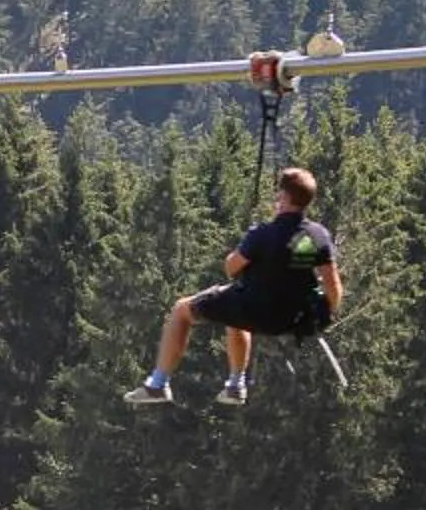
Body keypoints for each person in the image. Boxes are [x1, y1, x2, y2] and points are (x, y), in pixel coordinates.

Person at [124, 165, 343, 408]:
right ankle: (234, 387)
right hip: (296, 318)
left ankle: (159, 384)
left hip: (255, 311)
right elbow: (333, 283)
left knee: (181, 310)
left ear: (283, 198)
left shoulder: (262, 234)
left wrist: (245, 243)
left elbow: (231, 268)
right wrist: (325, 313)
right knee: (234, 311)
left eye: (278, 195)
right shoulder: (318, 235)